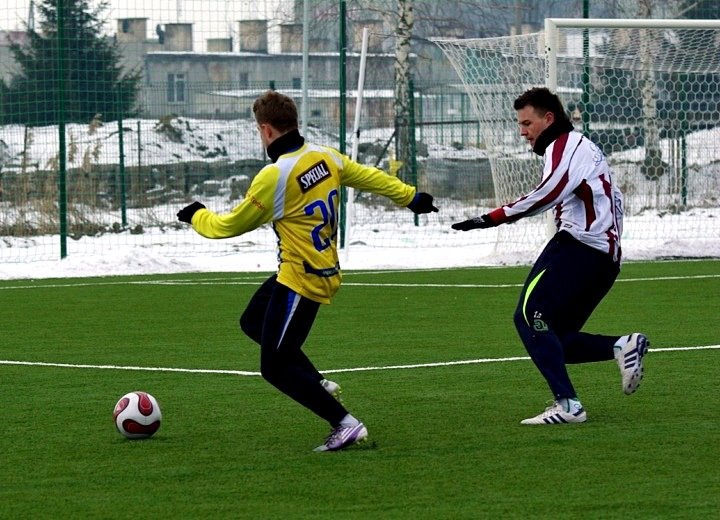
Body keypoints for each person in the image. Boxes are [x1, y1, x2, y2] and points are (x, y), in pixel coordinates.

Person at [177, 90, 439, 450]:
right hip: (308, 269)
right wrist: (410, 197)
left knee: (274, 366)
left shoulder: (276, 175)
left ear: (266, 130)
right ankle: (313, 379)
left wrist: (196, 215)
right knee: (252, 321)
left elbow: (229, 226)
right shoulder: (323, 155)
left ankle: (345, 423)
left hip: (303, 279)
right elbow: (368, 176)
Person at [452, 87, 648, 425]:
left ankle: (569, 406)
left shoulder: (567, 145)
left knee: (528, 315)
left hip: (581, 247)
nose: (522, 131)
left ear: (549, 118)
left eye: (527, 123)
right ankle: (622, 346)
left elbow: (548, 193)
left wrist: (490, 218)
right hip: (602, 257)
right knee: (555, 338)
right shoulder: (575, 148)